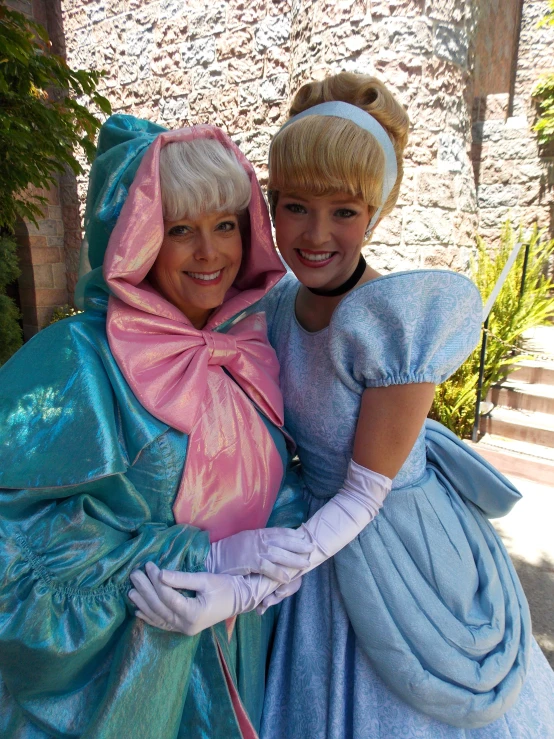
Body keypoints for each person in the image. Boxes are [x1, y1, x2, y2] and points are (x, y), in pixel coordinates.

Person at [131, 72, 554, 737]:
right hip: (306, 527)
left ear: (376, 211)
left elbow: (361, 500)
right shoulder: (273, 306)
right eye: (295, 206)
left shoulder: (395, 324)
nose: (315, 233)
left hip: (394, 541)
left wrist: (243, 589)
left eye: (344, 211)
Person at [0, 115, 311, 739]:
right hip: (132, 680)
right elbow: (18, 549)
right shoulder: (76, 362)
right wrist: (203, 557)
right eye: (179, 231)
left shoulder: (252, 345)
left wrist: (272, 557)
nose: (210, 253)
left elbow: (271, 488)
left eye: (225, 225)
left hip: (240, 648)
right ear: (137, 241)